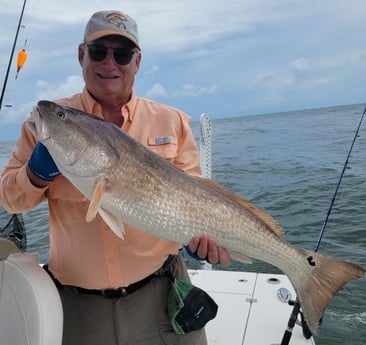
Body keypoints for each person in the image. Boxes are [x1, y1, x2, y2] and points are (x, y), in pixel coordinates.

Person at [0, 10, 230, 345]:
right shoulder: (47, 125)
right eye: (98, 51)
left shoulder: (173, 122)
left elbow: (196, 199)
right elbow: (9, 198)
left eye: (122, 54)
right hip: (80, 309)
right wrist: (34, 173)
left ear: (137, 62)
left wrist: (201, 243)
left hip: (163, 298)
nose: (110, 63)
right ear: (82, 55)